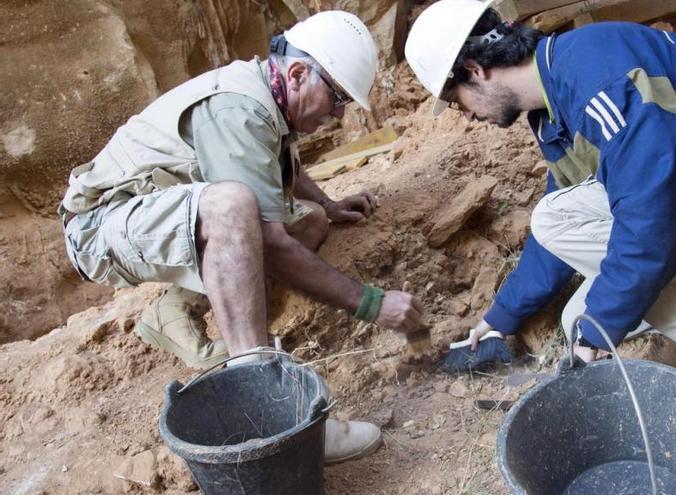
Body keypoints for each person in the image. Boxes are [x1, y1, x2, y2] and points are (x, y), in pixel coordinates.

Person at [405, 0, 676, 412]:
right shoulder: (554, 102)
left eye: (453, 101)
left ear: (474, 70)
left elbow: (652, 211)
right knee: (575, 317)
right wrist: (501, 317)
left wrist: (604, 326)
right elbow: (569, 222)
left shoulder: (599, 75)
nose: (463, 116)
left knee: (593, 304)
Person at [59, 11, 424, 463]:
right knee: (231, 208)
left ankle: (174, 309)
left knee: (308, 222)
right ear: (296, 73)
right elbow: (267, 240)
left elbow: (271, 160)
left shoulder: (267, 95)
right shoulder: (239, 106)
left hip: (154, 216)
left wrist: (326, 206)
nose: (337, 113)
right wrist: (371, 302)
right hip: (101, 225)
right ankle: (265, 403)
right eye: (336, 98)